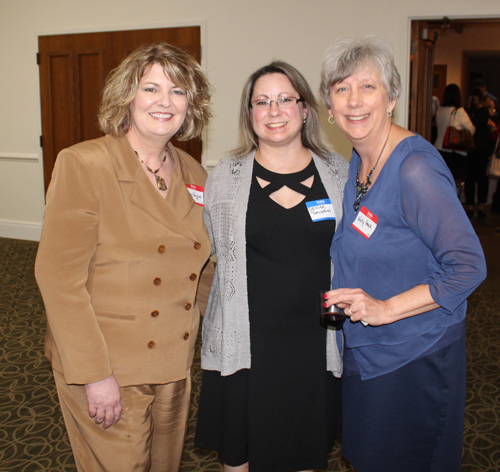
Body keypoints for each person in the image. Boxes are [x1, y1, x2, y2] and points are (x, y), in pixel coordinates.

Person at [35, 42, 214, 472]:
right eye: (150, 88)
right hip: (108, 366)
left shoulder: (194, 172)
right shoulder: (86, 163)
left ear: (191, 105)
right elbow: (59, 279)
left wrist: (194, 324)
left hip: (172, 362)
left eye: (177, 91)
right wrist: (94, 375)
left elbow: (204, 265)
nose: (164, 102)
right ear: (126, 97)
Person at [320, 36, 486, 472]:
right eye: (342, 89)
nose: (354, 101)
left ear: (391, 98)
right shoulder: (361, 160)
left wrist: (386, 308)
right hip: (370, 351)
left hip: (414, 354)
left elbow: (468, 266)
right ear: (329, 107)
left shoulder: (413, 167)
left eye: (368, 87)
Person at [195, 61, 348, 472]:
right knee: (238, 453)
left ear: (305, 110)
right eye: (262, 102)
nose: (274, 110)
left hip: (313, 342)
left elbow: (357, 251)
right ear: (250, 115)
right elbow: (205, 249)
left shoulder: (338, 173)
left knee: (305, 450)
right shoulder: (225, 177)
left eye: (285, 99)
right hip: (245, 340)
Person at [465, 87, 497, 218]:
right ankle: (477, 205)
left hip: (476, 147)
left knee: (476, 178)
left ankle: (475, 205)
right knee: (477, 178)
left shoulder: (474, 111)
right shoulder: (474, 111)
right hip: (478, 148)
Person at [434, 83, 475, 182]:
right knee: (455, 181)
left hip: (439, 149)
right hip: (455, 151)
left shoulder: (440, 110)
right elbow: (472, 130)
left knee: (442, 181)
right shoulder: (459, 112)